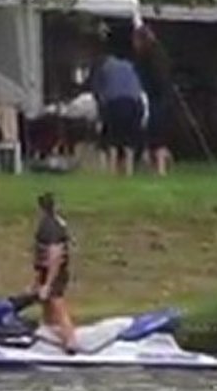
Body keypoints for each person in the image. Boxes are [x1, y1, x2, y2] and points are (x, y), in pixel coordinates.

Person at [88, 43, 147, 176]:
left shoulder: (103, 68)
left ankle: (112, 171)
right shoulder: (129, 65)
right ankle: (129, 171)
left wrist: (101, 114)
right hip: (135, 103)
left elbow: (97, 92)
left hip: (115, 103)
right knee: (129, 140)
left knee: (112, 139)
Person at [31, 192, 78, 353]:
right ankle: (50, 333)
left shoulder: (50, 226)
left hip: (55, 273)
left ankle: (70, 341)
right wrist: (38, 282)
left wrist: (48, 283)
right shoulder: (53, 222)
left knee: (57, 305)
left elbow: (55, 255)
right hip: (47, 272)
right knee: (46, 304)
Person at [133, 25, 176, 176]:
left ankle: (159, 168)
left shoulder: (147, 59)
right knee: (159, 136)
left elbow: (150, 80)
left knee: (153, 136)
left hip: (155, 99)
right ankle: (160, 167)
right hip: (164, 99)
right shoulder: (161, 55)